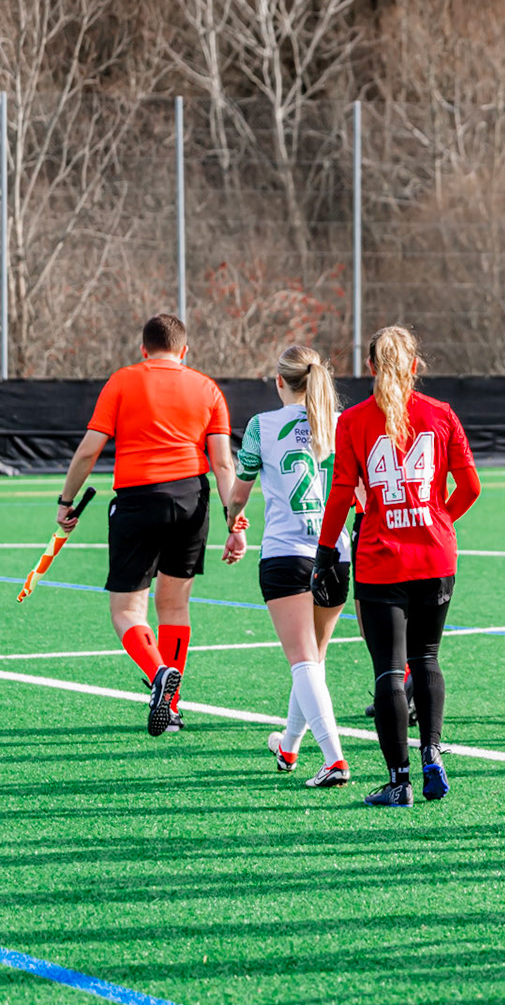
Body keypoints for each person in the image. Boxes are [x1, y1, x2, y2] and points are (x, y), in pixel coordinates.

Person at [314, 325, 482, 807]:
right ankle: (432, 754)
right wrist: (437, 521)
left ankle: (399, 781)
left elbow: (342, 494)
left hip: (381, 560)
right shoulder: (442, 414)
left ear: (370, 368)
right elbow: (470, 487)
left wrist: (326, 553)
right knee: (425, 658)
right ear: (415, 366)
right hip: (434, 556)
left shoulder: (354, 422)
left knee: (389, 671)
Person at [55, 313, 238, 737]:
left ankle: (158, 675)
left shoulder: (123, 381)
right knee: (174, 607)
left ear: (143, 349)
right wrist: (235, 521)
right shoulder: (207, 388)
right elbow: (223, 463)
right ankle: (170, 709)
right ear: (184, 351)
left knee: (126, 610)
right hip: (192, 500)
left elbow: (87, 452)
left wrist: (66, 501)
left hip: (138, 500)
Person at [223, 345, 353, 787]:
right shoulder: (339, 424)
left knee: (303, 661)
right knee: (313, 659)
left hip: (286, 553)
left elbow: (238, 496)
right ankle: (290, 745)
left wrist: (234, 524)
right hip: (336, 554)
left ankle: (334, 758)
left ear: (280, 381)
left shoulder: (262, 425)